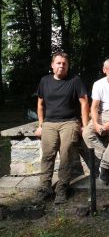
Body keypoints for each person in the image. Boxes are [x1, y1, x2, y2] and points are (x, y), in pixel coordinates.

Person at [34, 52, 89, 204]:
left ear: (68, 66)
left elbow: (84, 103)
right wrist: (40, 125)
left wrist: (84, 125)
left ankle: (62, 188)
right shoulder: (45, 81)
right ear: (52, 65)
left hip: (69, 122)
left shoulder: (75, 80)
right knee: (48, 154)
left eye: (64, 63)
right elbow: (40, 105)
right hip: (49, 123)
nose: (61, 66)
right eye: (58, 63)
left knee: (66, 153)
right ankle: (45, 188)